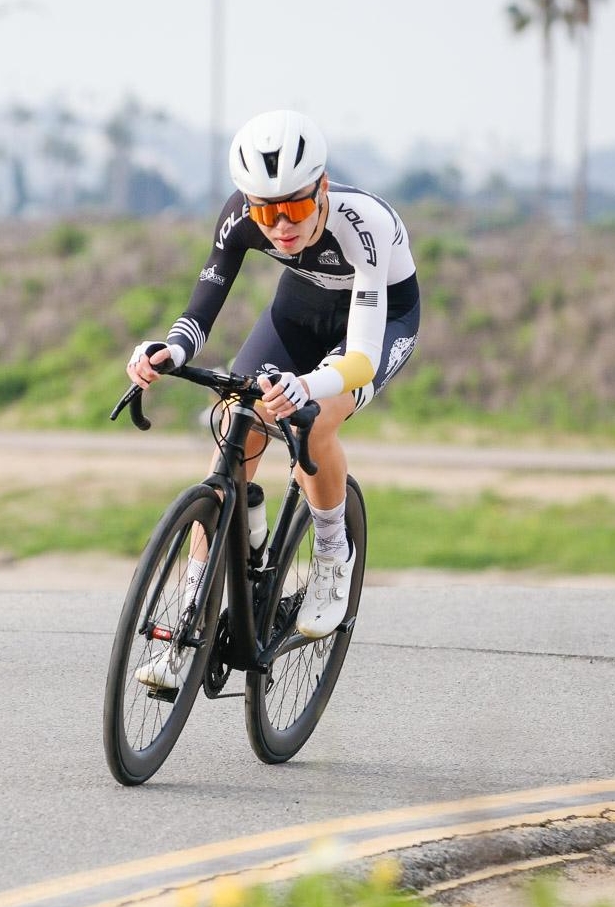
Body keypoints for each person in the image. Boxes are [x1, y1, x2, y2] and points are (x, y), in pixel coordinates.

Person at [126, 109, 420, 685]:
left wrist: (305, 385)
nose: (280, 225)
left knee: (312, 421)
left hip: (377, 325)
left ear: (323, 190)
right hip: (297, 312)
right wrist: (172, 351)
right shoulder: (240, 216)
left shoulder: (367, 225)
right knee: (236, 426)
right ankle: (189, 622)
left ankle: (333, 554)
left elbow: (358, 357)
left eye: (295, 207)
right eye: (266, 210)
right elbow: (202, 307)